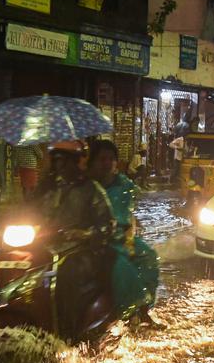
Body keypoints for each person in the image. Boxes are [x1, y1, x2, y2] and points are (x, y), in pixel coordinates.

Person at [37, 141, 116, 339]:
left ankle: (67, 333)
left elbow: (108, 226)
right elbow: (26, 212)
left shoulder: (92, 190)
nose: (60, 165)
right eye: (56, 161)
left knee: (66, 275)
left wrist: (85, 234)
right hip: (44, 249)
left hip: (79, 252)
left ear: (76, 162)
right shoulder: (45, 189)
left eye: (64, 161)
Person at [87, 139, 162, 327]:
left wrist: (128, 237)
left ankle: (145, 310)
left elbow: (127, 217)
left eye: (111, 159)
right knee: (121, 264)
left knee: (148, 256)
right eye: (102, 159)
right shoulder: (86, 186)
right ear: (92, 162)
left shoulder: (124, 186)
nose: (107, 163)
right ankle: (128, 311)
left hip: (121, 238)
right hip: (98, 240)